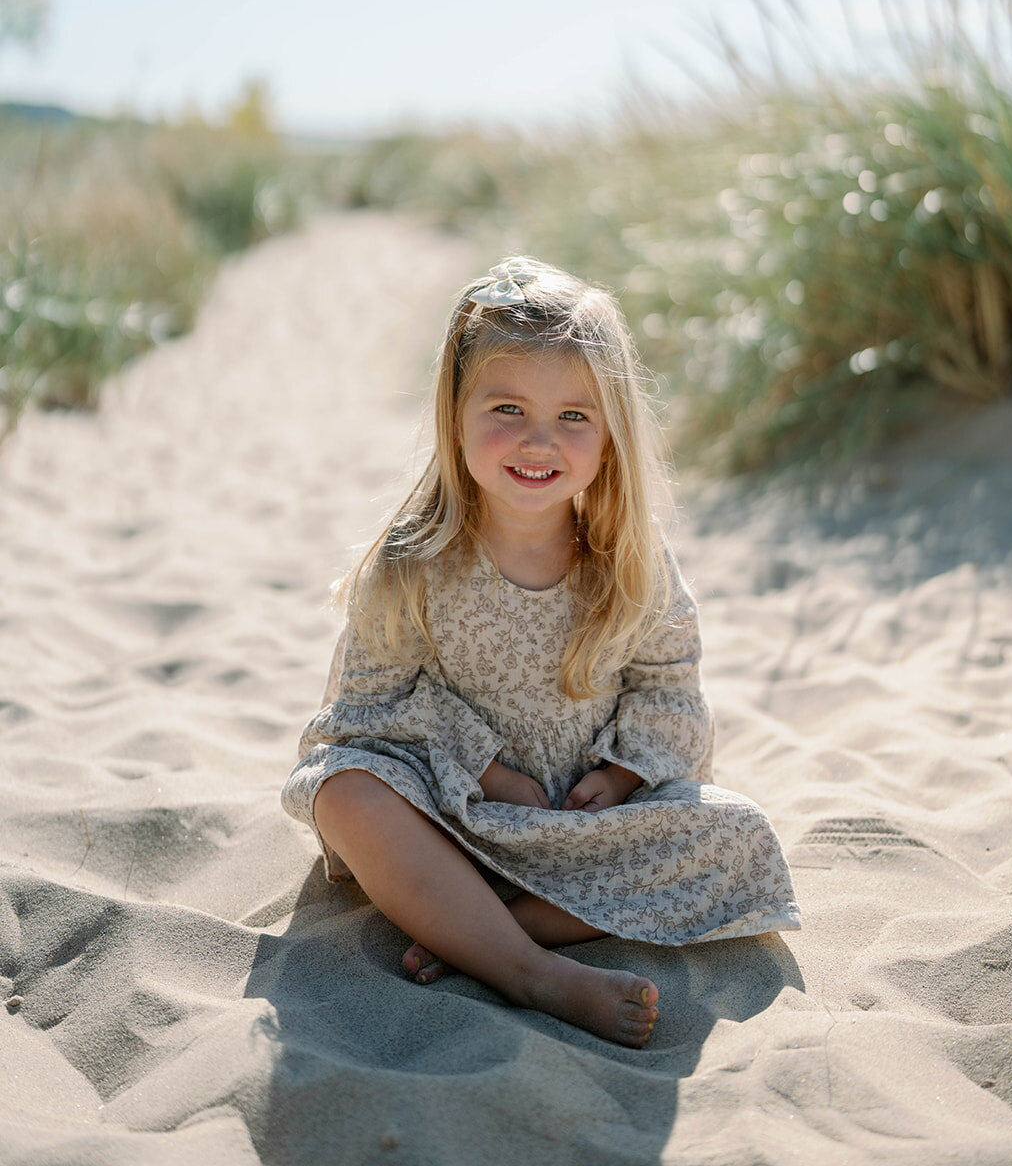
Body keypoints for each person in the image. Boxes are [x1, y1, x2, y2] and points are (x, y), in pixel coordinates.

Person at [281, 257, 799, 1047]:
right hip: (451, 820)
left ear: (609, 437)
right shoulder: (413, 559)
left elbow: (671, 692)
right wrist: (486, 772)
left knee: (737, 832)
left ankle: (481, 941)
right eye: (508, 408)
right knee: (343, 788)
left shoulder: (630, 559)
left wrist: (621, 775)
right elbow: (363, 712)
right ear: (456, 413)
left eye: (572, 418)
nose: (537, 440)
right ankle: (533, 972)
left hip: (585, 832)